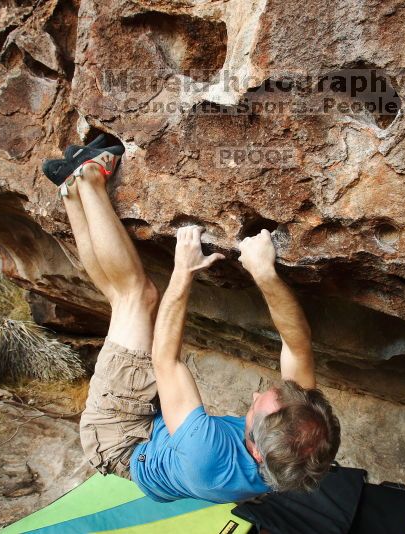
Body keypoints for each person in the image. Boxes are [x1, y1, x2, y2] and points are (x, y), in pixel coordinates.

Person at [43, 136, 341, 504]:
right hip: (160, 435)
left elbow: (165, 360)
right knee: (121, 299)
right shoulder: (300, 434)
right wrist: (264, 274)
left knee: (137, 296)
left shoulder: (206, 455)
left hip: (122, 435)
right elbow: (297, 342)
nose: (255, 394)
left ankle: (87, 177)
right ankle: (71, 190)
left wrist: (183, 271)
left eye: (256, 406)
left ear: (258, 452)